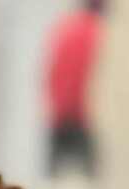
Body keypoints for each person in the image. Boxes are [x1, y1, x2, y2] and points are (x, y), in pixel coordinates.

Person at [45, 0, 107, 179]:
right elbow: (78, 73)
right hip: (75, 113)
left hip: (62, 111)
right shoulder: (90, 30)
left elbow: (53, 71)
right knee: (88, 174)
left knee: (57, 174)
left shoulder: (68, 27)